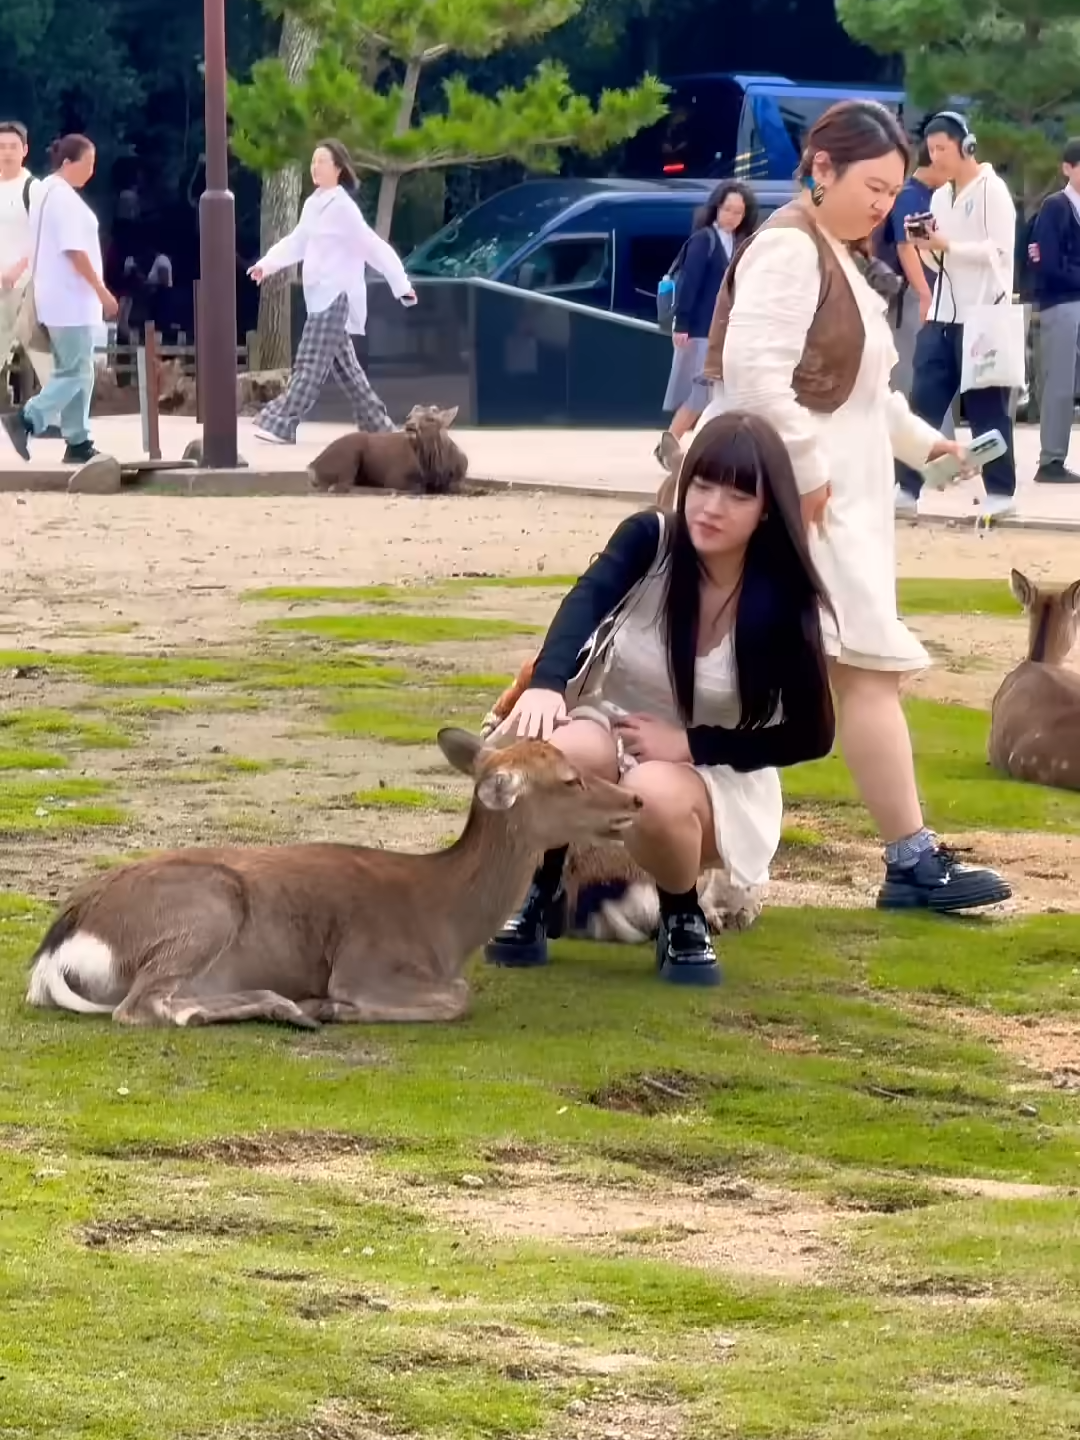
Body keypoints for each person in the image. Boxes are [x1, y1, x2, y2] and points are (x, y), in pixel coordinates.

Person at [697, 100, 1010, 914]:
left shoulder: (829, 250)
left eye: (894, 189)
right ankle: (908, 859)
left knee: (835, 678)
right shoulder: (791, 250)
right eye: (873, 185)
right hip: (810, 506)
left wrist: (926, 447)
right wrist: (805, 475)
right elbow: (755, 374)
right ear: (821, 168)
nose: (884, 204)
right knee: (866, 673)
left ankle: (895, 858)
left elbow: (867, 395)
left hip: (834, 500)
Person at [485, 412, 837, 985]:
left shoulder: (783, 598)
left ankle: (681, 914)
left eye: (736, 493)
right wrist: (548, 682)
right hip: (614, 726)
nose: (711, 506)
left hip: (715, 767)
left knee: (650, 792)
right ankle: (536, 894)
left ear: (767, 508)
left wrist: (688, 743)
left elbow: (812, 735)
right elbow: (588, 597)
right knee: (560, 756)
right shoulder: (651, 541)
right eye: (701, 484)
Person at [893, 111, 1019, 520]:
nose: (936, 157)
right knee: (923, 403)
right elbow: (938, 262)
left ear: (966, 145)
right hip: (943, 314)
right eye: (930, 150)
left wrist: (946, 243)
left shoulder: (991, 191)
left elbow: (997, 252)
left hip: (982, 315)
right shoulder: (939, 196)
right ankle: (907, 488)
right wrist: (927, 243)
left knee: (987, 409)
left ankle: (1002, 493)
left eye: (942, 148)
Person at [248, 139, 416, 444]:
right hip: (318, 297)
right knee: (348, 371)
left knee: (309, 363)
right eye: (313, 161)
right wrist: (267, 264)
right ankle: (379, 426)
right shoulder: (313, 204)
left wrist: (401, 284)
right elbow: (297, 242)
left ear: (338, 168)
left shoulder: (343, 209)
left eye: (322, 161)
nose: (315, 167)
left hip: (336, 296)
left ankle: (280, 423)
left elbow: (373, 247)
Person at [1, 134, 117, 467]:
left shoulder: (46, 191)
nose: (91, 172)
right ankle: (27, 419)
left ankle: (78, 440)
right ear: (68, 163)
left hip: (58, 296)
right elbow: (74, 250)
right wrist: (101, 290)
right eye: (87, 164)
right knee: (76, 372)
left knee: (79, 371)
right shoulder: (61, 197)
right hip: (69, 299)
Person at [656, 182, 758, 461]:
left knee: (712, 395)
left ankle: (684, 448)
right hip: (701, 329)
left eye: (739, 212)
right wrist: (683, 324)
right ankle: (668, 445)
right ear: (716, 208)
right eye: (728, 209)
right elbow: (690, 284)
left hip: (725, 330)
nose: (733, 216)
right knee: (699, 393)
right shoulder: (705, 239)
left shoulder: (738, 242)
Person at [875, 138, 948, 401]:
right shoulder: (909, 196)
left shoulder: (930, 195)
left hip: (929, 291)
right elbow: (906, 247)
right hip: (912, 293)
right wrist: (924, 293)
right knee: (908, 367)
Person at [1027, 137, 1080, 485]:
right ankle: (1051, 460)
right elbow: (1045, 261)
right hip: (1061, 304)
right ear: (1067, 168)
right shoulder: (1055, 207)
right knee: (1059, 383)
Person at [0, 119, 52, 393]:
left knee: (36, 346)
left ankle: (61, 414)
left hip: (27, 282)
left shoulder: (33, 188)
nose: (6, 152)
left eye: (12, 146)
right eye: (1, 147)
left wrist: (18, 268)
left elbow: (43, 236)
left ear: (25, 149)